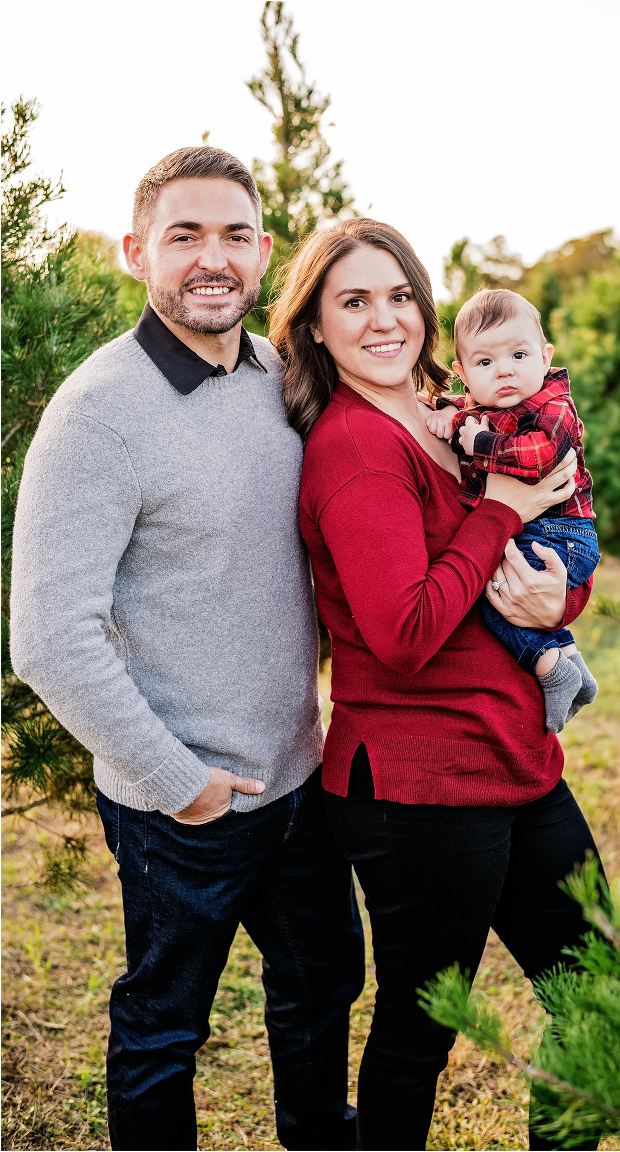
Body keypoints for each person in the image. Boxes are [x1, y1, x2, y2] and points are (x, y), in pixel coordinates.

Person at [10, 146, 364, 1152]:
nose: (214, 259)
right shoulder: (98, 413)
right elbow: (47, 636)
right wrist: (178, 781)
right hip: (182, 804)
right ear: (135, 252)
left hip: (297, 780)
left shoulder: (281, 377)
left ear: (263, 254)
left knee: (323, 980)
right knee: (166, 1028)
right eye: (186, 235)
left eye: (236, 236)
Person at [270, 216, 604, 1151]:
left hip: (516, 758)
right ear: (317, 329)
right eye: (353, 301)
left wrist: (556, 597)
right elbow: (405, 631)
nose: (385, 320)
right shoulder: (356, 448)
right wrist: (496, 513)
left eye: (400, 295)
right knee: (422, 1033)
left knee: (603, 995)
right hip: (418, 786)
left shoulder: (456, 413)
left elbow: (552, 529)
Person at [424, 287, 600, 734]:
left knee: (493, 593)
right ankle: (568, 660)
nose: (505, 371)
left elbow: (540, 456)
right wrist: (447, 411)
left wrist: (478, 444)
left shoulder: (552, 404)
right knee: (499, 593)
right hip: (533, 531)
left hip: (563, 534)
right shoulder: (480, 406)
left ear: (545, 356)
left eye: (518, 355)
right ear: (463, 373)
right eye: (485, 363)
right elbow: (459, 410)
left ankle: (551, 666)